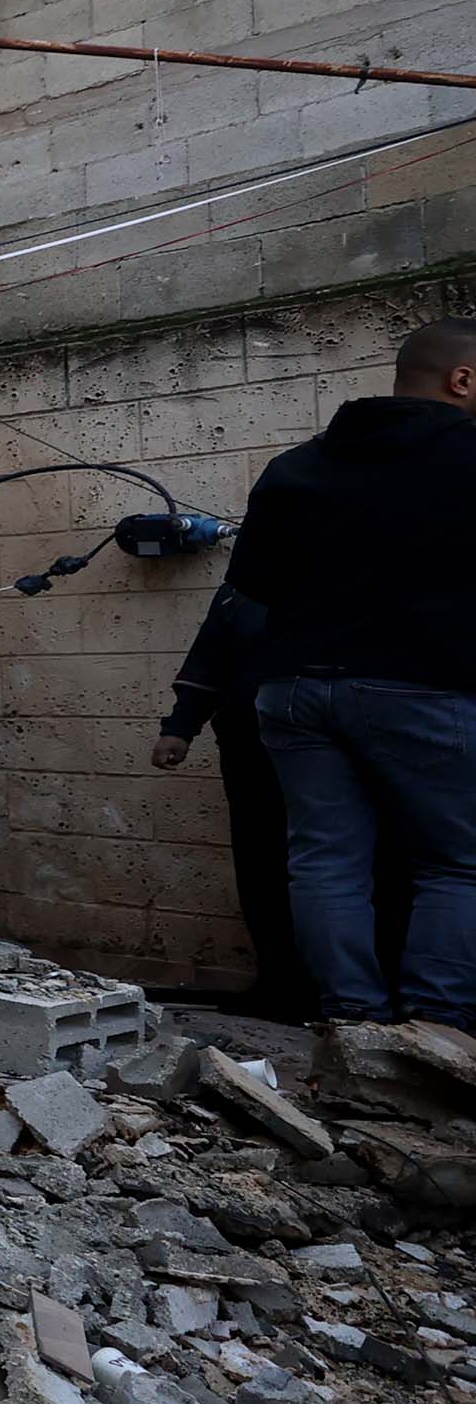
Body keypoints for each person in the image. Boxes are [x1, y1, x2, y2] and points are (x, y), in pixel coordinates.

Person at [227, 315, 476, 1024]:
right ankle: (433, 1033)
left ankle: (350, 1024)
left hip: (293, 691)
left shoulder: (296, 466)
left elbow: (253, 585)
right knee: (458, 863)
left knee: (324, 862)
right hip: (422, 688)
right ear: (462, 379)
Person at [150, 584, 315, 1018]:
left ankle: (342, 991)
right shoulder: (242, 590)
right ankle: (280, 982)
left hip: (325, 746)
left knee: (330, 863)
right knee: (261, 861)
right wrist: (180, 727)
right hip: (252, 744)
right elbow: (211, 656)